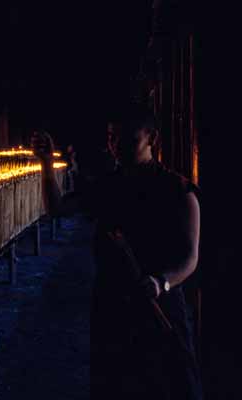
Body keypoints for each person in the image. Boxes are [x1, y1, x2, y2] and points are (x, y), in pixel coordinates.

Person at [32, 105, 203, 399]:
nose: (116, 145)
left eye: (128, 139)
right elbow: (58, 209)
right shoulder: (108, 187)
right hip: (112, 307)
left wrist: (161, 282)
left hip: (159, 306)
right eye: (112, 137)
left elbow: (190, 258)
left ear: (153, 139)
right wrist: (46, 164)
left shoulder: (178, 191)